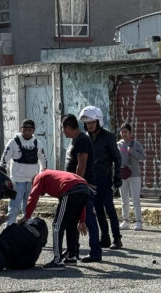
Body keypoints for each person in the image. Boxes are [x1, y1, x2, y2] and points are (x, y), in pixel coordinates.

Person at [18, 170, 91, 270]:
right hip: (84, 188)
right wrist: (81, 220)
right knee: (72, 225)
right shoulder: (52, 176)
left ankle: (57, 261)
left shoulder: (39, 177)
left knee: (57, 226)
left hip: (70, 189)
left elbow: (33, 196)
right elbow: (81, 204)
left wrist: (27, 216)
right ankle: (71, 257)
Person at [79, 106, 123, 249]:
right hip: (91, 181)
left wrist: (117, 176)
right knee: (98, 210)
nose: (90, 125)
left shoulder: (108, 137)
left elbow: (117, 158)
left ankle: (117, 238)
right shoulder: (84, 138)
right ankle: (105, 237)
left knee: (109, 208)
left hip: (105, 179)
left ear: (98, 122)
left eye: (92, 122)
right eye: (88, 123)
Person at [62, 114, 102, 263]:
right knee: (73, 219)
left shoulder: (82, 140)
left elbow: (82, 164)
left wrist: (76, 184)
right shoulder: (76, 140)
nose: (63, 132)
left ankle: (96, 252)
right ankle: (73, 250)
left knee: (89, 219)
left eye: (63, 129)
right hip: (78, 186)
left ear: (68, 127)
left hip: (83, 186)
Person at [0, 119, 48, 225]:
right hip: (17, 181)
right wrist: (2, 173)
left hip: (32, 181)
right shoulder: (13, 142)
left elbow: (43, 160)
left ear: (33, 130)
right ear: (21, 129)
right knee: (14, 207)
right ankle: (9, 228)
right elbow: (4, 159)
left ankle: (27, 228)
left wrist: (42, 176)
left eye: (30, 130)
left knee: (29, 206)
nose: (27, 132)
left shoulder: (37, 143)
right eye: (25, 129)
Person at [117, 123, 146, 231]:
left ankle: (138, 221)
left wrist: (132, 151)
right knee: (124, 199)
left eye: (126, 132)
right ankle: (125, 220)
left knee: (135, 198)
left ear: (130, 133)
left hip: (134, 175)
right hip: (122, 175)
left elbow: (143, 157)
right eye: (122, 131)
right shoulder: (118, 145)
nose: (124, 134)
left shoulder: (136, 144)